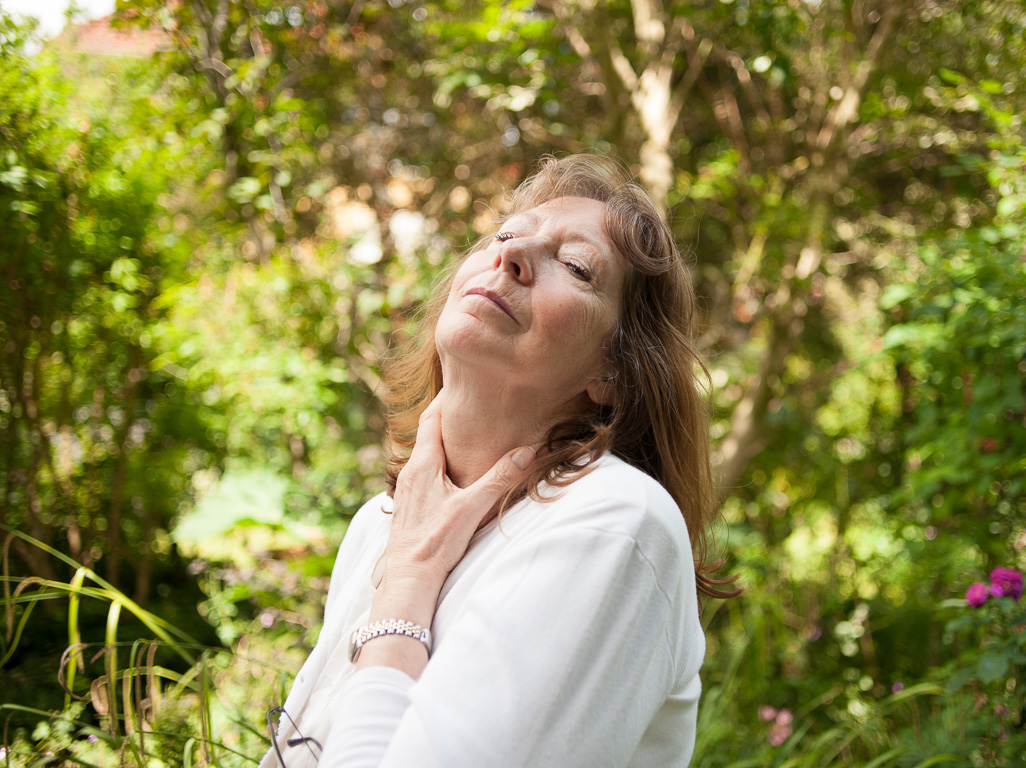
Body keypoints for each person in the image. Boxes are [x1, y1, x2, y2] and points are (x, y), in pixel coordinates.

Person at [261, 154, 730, 768]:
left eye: (575, 266)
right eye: (507, 234)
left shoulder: (613, 522)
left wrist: (407, 585)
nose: (510, 255)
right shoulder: (381, 522)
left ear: (613, 370)